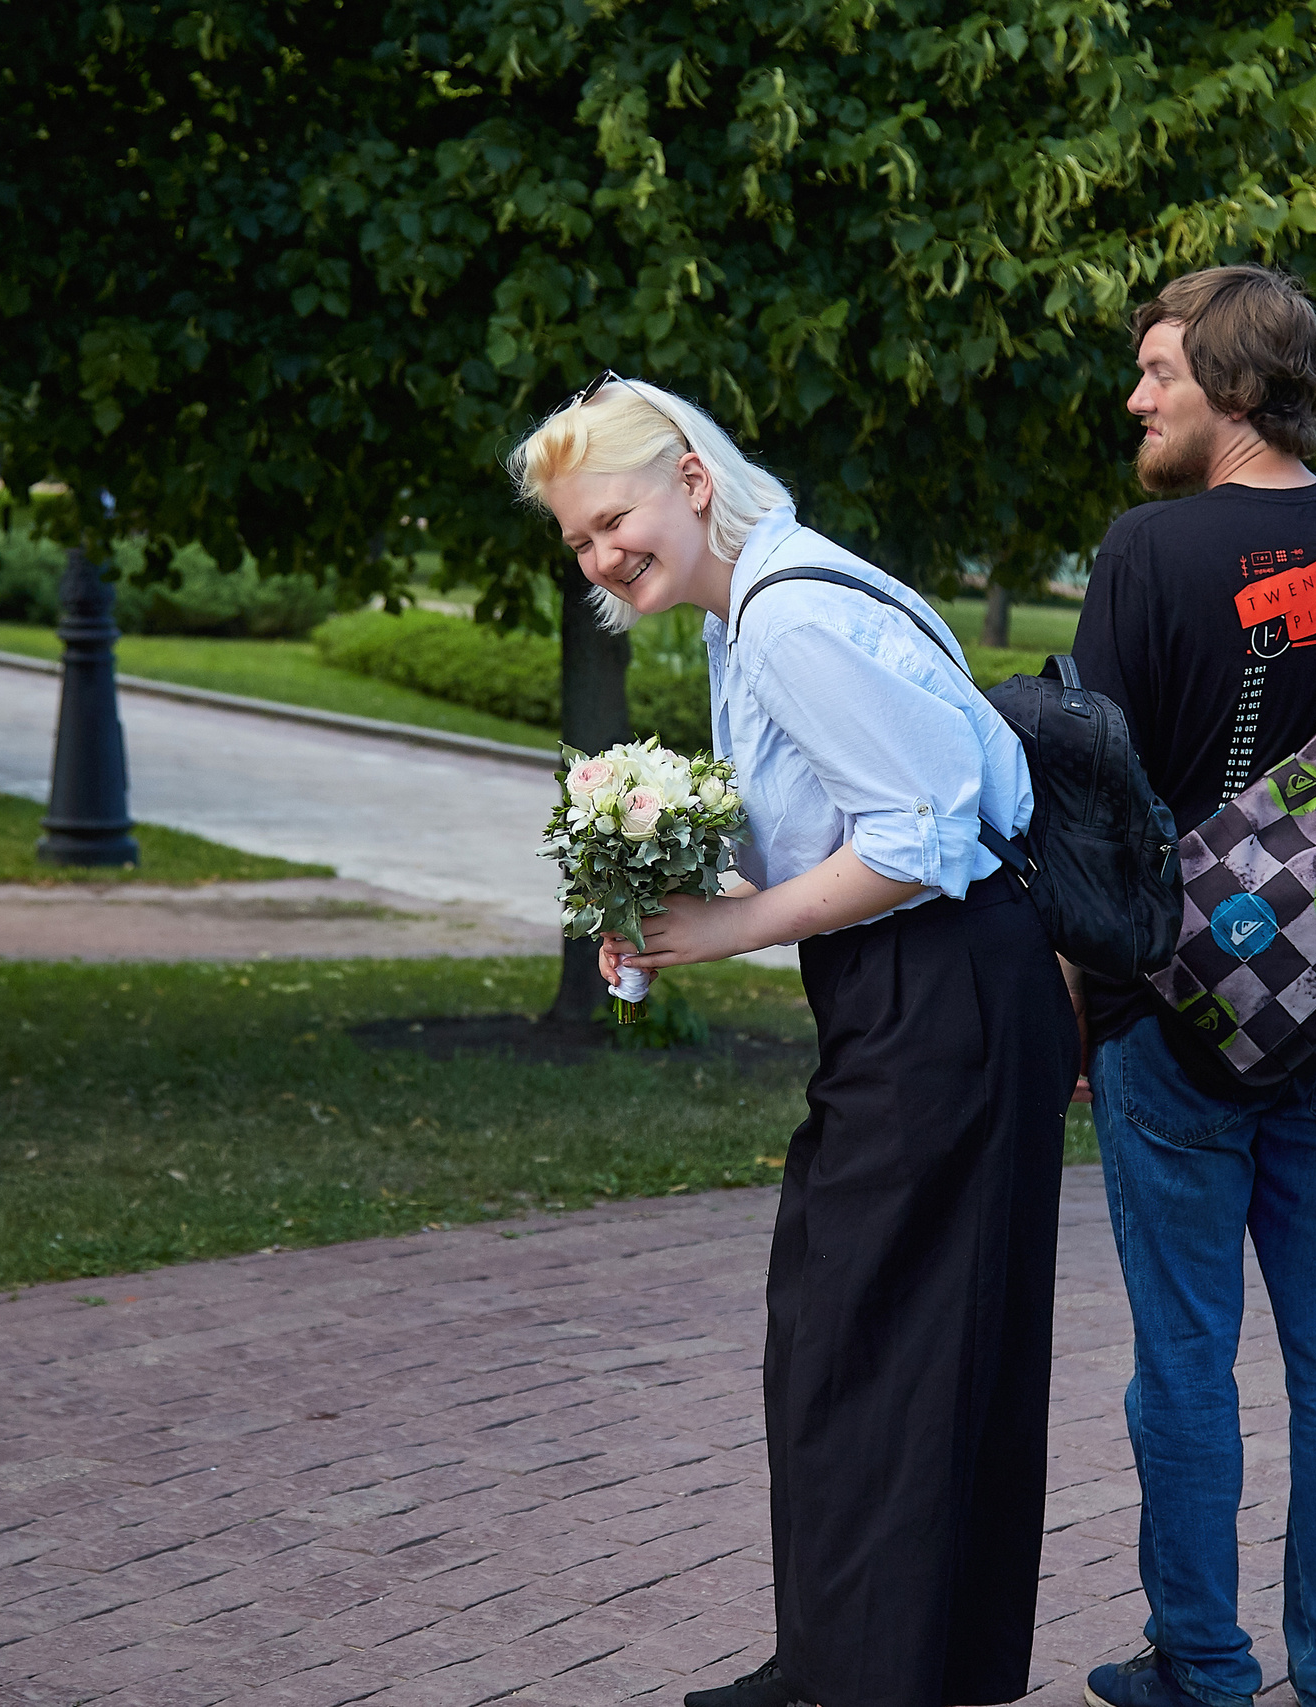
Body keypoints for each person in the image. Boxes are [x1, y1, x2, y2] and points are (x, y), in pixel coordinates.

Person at [508, 373, 1080, 1707]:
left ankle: (866, 1670)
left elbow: (924, 835)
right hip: (936, 987)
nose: (600, 555)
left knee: (867, 1334)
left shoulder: (783, 619)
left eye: (613, 518)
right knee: (868, 1331)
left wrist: (731, 928)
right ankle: (854, 1657)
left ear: (692, 482)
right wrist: (661, 887)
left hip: (942, 988)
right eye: (579, 539)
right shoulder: (760, 603)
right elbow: (848, 813)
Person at [1067, 266, 1316, 1707]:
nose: (1138, 397)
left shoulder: (1149, 550)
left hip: (1180, 1019)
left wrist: (1079, 1001)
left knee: (1183, 1355)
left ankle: (1204, 1660)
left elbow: (1097, 804)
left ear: (1231, 387)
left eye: (1162, 373)